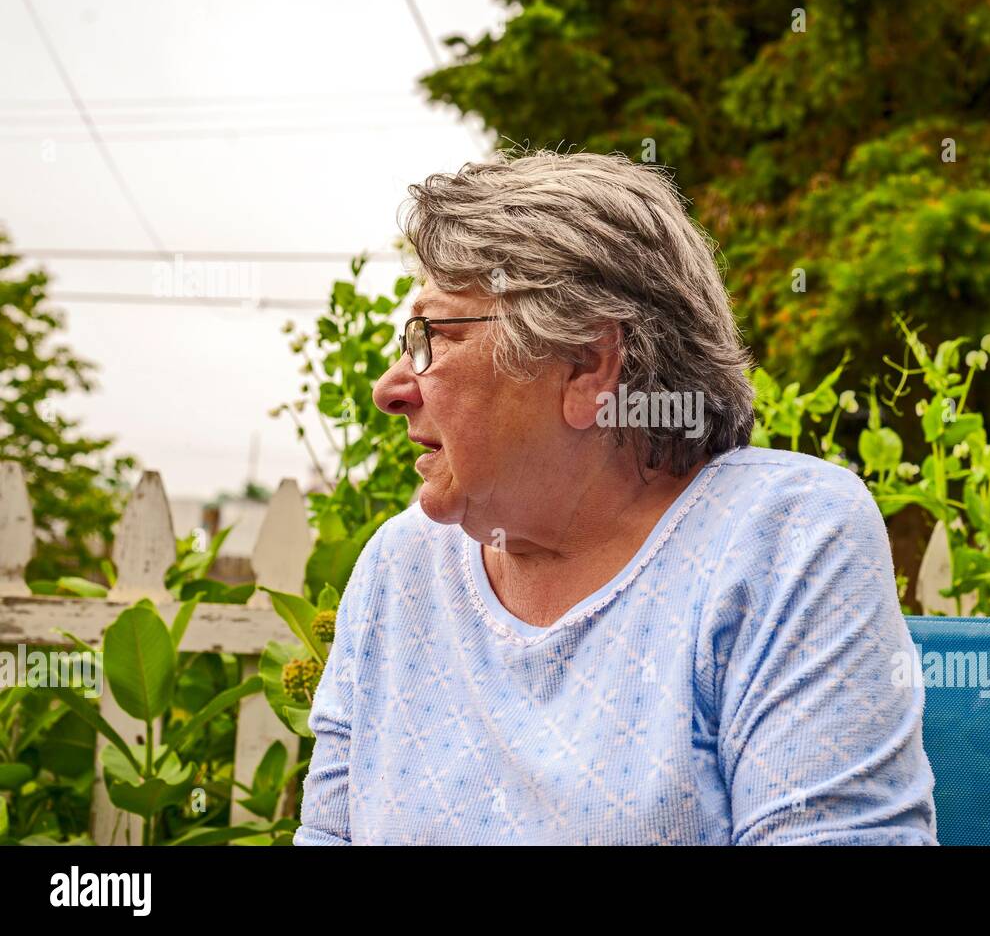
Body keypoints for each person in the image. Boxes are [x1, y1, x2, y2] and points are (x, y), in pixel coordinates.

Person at [294, 148, 938, 845]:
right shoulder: (402, 567)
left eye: (433, 337)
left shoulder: (784, 540)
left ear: (587, 364)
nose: (389, 389)